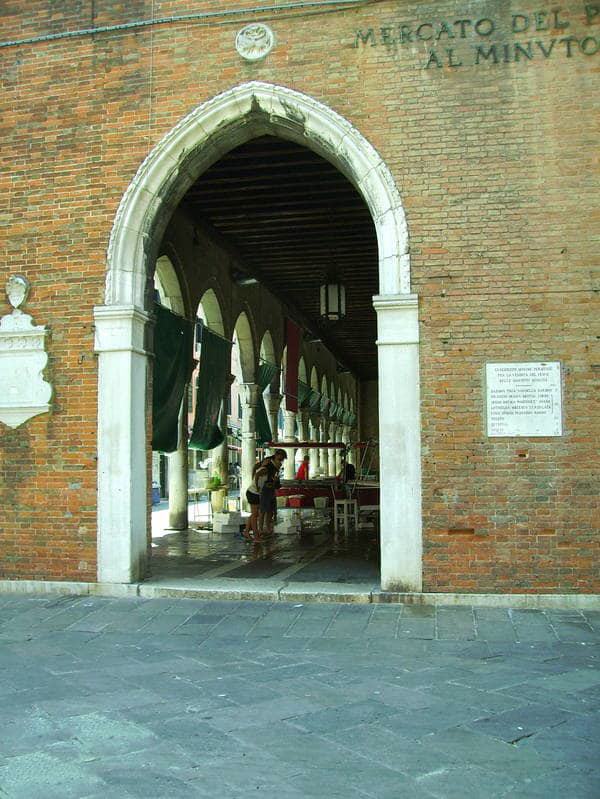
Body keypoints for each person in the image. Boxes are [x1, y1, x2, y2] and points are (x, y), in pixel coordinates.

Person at [257, 448, 287, 539]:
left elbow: (275, 483)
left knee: (270, 510)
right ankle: (260, 529)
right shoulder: (268, 465)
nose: (281, 462)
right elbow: (257, 474)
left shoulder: (276, 468)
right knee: (263, 510)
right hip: (265, 490)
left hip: (271, 490)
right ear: (275, 457)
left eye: (282, 460)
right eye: (280, 459)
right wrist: (257, 487)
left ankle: (268, 528)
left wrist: (276, 483)